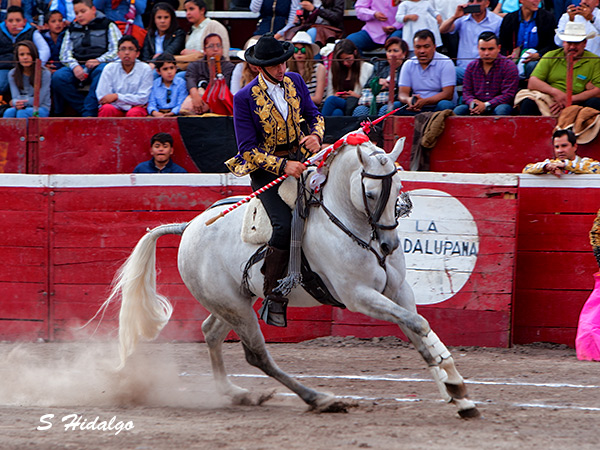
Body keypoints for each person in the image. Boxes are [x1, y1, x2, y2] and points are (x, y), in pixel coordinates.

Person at [225, 34, 324, 327]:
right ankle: (272, 294)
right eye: (275, 65)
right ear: (259, 68)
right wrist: (283, 166)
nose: (281, 69)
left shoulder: (295, 80)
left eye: (282, 62)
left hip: (302, 159)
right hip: (266, 170)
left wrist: (316, 134)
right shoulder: (244, 98)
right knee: (282, 225)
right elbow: (247, 151)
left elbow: (313, 114)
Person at [52, 0, 121, 117]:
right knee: (58, 77)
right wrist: (75, 66)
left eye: (83, 11)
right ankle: (84, 110)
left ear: (93, 10)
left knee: (104, 71)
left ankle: (89, 111)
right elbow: (64, 53)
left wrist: (99, 60)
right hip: (77, 65)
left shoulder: (108, 25)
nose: (79, 15)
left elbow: (117, 50)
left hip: (100, 65)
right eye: (76, 12)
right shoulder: (71, 28)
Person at [517, 22, 600, 115]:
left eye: (576, 43)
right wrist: (555, 93)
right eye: (569, 43)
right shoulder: (551, 56)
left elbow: (597, 91)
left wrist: (569, 99)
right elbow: (533, 82)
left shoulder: (595, 61)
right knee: (528, 103)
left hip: (579, 103)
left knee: (594, 103)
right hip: (550, 99)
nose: (572, 47)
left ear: (584, 43)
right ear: (564, 42)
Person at [454, 31, 518, 115]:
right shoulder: (471, 66)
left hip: (498, 105)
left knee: (502, 110)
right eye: (482, 49)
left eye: (491, 49)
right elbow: (466, 93)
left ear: (499, 48)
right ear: (478, 48)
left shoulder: (509, 66)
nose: (486, 53)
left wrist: (486, 105)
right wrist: (473, 103)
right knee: (459, 110)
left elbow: (508, 95)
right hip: (476, 105)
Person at [439, 0, 503, 83]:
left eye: (479, 1)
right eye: (471, 1)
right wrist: (455, 17)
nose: (474, 4)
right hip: (463, 69)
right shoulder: (462, 19)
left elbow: (499, 45)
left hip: (486, 70)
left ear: (487, 3)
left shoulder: (497, 21)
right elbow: (443, 30)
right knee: (445, 73)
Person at [397, 29, 456, 114]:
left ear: (434, 47)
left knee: (445, 105)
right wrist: (408, 100)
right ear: (413, 48)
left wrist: (425, 101)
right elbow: (402, 93)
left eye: (426, 46)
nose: (422, 51)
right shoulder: (408, 64)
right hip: (416, 106)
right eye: (418, 47)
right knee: (396, 106)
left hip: (437, 106)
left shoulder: (446, 62)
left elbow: (448, 94)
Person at [96, 34, 153, 116]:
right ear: (118, 53)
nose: (126, 53)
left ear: (137, 53)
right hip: (116, 107)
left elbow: (143, 98)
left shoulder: (145, 69)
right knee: (106, 109)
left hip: (134, 109)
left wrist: (116, 97)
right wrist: (129, 104)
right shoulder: (109, 68)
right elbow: (103, 97)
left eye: (131, 49)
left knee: (134, 112)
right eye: (123, 49)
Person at [499, 0, 557, 79]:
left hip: (537, 61)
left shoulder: (547, 18)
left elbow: (552, 44)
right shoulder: (509, 19)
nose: (536, 1)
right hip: (514, 59)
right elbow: (503, 44)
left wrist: (539, 54)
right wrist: (507, 56)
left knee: (532, 65)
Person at [0, 6, 50, 95]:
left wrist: (37, 66)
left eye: (18, 20)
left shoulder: (32, 31)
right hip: (4, 67)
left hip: (27, 68)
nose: (14, 24)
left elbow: (44, 50)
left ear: (24, 21)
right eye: (10, 21)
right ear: (5, 22)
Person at [354, 35, 409, 116]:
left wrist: (390, 85)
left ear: (404, 53)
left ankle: (379, 129)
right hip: (375, 100)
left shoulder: (407, 67)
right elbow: (367, 85)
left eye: (395, 51)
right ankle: (363, 129)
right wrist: (377, 83)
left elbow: (407, 89)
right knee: (360, 110)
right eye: (389, 51)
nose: (392, 54)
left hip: (395, 100)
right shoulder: (380, 66)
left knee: (385, 110)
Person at [181, 33, 234, 114]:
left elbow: (225, 86)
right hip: (198, 100)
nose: (216, 49)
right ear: (204, 50)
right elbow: (190, 79)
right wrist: (195, 96)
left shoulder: (229, 67)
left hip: (219, 100)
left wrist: (209, 103)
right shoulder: (195, 65)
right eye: (211, 46)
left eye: (219, 46)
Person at [321, 38, 373, 116]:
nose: (345, 63)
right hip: (340, 103)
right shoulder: (335, 68)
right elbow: (330, 93)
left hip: (357, 103)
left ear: (355, 53)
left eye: (348, 59)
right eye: (341, 60)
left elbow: (370, 97)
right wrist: (337, 95)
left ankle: (317, 126)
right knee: (337, 112)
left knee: (331, 100)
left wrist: (355, 95)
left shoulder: (368, 68)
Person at [3, 40, 51, 117]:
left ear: (34, 55)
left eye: (29, 54)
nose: (25, 57)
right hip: (22, 107)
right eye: (22, 55)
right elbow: (15, 97)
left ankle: (25, 129)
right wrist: (15, 102)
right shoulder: (12, 73)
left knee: (22, 113)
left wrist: (15, 102)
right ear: (17, 57)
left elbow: (38, 101)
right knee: (9, 112)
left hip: (41, 108)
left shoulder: (44, 73)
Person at [522, 129, 600, 174]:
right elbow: (525, 170)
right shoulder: (551, 164)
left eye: (564, 146)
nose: (560, 150)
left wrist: (565, 165)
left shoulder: (585, 162)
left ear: (575, 146)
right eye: (556, 147)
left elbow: (597, 169)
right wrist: (545, 167)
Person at [178, 0, 230, 64]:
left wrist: (196, 54)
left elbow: (223, 52)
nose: (188, 13)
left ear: (202, 10)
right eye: (186, 10)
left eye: (191, 9)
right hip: (192, 68)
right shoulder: (190, 31)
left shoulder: (215, 26)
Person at [286, 31, 326, 107]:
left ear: (308, 51)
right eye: (296, 50)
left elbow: (318, 99)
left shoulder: (319, 68)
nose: (299, 53)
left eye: (303, 50)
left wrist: (296, 98)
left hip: (315, 108)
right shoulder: (288, 71)